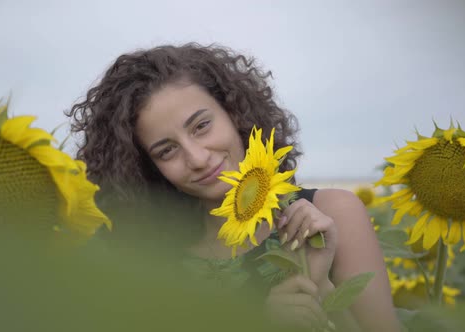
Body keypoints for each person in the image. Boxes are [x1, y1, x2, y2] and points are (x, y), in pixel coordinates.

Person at [67, 43, 400, 331]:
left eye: (201, 126)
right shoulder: (156, 261)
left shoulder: (333, 213)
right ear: (148, 169)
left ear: (234, 113)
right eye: (166, 150)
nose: (196, 158)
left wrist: (322, 288)